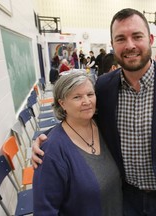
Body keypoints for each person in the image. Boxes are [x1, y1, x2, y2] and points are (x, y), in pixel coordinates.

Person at [32, 8, 156, 216]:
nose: (130, 45)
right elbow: (84, 116)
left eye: (137, 36)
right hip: (122, 197)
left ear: (150, 39)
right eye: (121, 38)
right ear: (113, 44)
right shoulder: (105, 86)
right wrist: (48, 140)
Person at [33, 71, 123, 215]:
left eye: (90, 94)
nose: (87, 102)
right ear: (62, 103)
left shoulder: (105, 126)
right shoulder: (52, 151)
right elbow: (45, 209)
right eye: (77, 97)